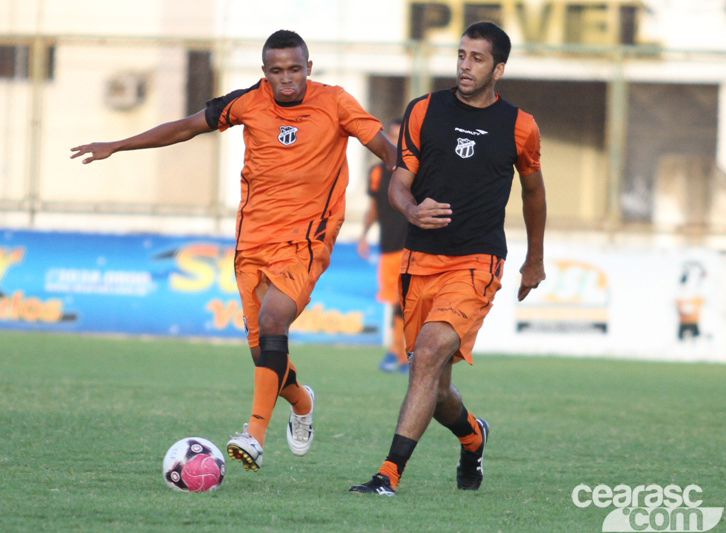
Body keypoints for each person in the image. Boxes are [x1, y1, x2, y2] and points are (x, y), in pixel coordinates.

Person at [71, 30, 397, 472]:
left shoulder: (336, 102)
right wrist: (118, 145)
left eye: (295, 69)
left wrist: (413, 179)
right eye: (277, 70)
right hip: (252, 244)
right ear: (265, 73)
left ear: (309, 67)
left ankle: (254, 435)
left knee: (274, 319)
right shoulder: (247, 102)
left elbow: (382, 146)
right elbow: (186, 127)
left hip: (307, 240)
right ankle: (301, 402)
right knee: (263, 352)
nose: (287, 79)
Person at [349, 21, 546, 495]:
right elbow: (399, 180)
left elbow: (534, 193)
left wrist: (534, 260)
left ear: (498, 69)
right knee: (432, 383)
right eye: (461, 55)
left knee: (431, 352)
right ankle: (473, 435)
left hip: (477, 263)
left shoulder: (520, 126)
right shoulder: (424, 111)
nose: (465, 65)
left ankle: (387, 475)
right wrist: (412, 208)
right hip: (420, 262)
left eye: (477, 58)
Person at [357, 119, 409, 373]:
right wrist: (364, 235)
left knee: (406, 301)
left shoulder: (416, 170)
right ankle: (398, 353)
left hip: (412, 246)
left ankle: (399, 354)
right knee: (395, 302)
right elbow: (374, 209)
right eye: (393, 136)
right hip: (388, 247)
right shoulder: (378, 173)